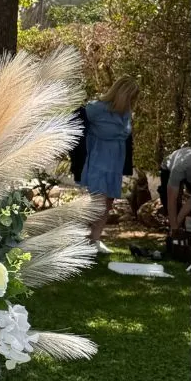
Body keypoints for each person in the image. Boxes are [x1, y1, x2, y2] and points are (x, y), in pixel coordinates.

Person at [77, 77, 139, 253]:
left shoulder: (125, 113)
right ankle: (78, 238)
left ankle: (94, 240)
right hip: (98, 162)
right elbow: (76, 124)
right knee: (98, 203)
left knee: (108, 203)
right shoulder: (96, 108)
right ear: (122, 94)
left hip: (115, 165)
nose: (133, 101)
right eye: (131, 96)